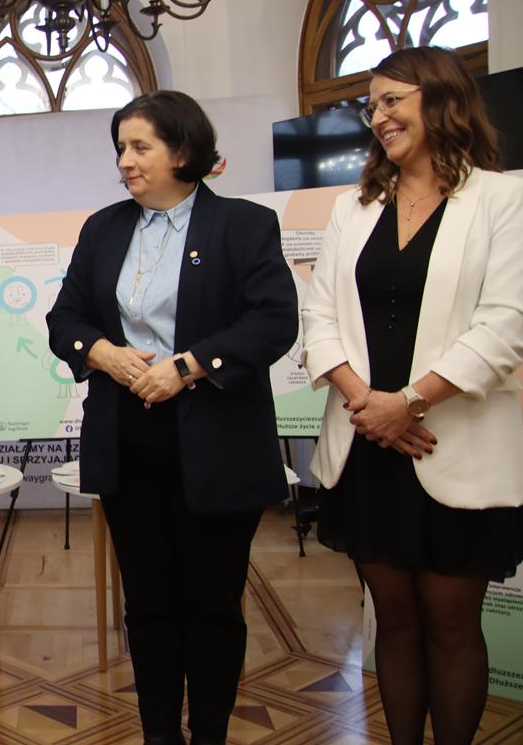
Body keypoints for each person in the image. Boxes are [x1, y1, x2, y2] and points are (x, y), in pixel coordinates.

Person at [47, 91, 297, 745]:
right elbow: (64, 319)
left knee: (212, 607)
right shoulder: (103, 229)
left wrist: (188, 366)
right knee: (149, 607)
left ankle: (208, 734)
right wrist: (102, 352)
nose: (125, 161)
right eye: (120, 148)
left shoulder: (243, 225)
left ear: (183, 150)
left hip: (217, 446)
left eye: (140, 147)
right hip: (128, 444)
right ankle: (160, 734)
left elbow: (274, 322)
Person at [302, 46, 523, 745]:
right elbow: (319, 317)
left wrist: (410, 404)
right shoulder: (353, 207)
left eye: (392, 100)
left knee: (452, 626)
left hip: (453, 441)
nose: (379, 117)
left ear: (442, 99)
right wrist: (369, 405)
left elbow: (507, 324)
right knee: (392, 624)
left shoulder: (504, 199)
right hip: (367, 443)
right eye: (371, 105)